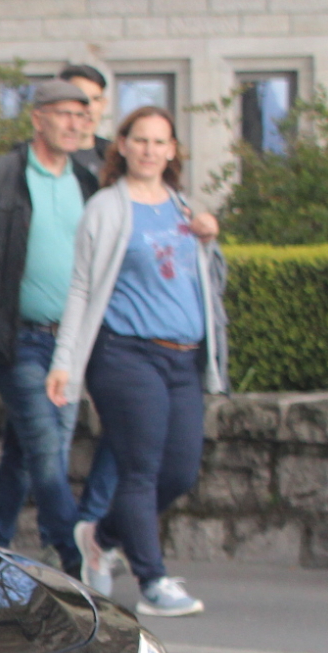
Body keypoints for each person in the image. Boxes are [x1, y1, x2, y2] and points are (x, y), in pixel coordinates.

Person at [45, 107, 230, 618]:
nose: (149, 150)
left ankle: (101, 536)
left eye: (159, 142)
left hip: (183, 359)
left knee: (181, 470)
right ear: (122, 146)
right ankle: (153, 581)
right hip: (126, 354)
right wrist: (66, 363)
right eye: (140, 140)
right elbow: (81, 287)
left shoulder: (181, 206)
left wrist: (210, 242)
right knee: (141, 469)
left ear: (172, 151)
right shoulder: (106, 207)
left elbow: (205, 285)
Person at [0, 79, 101, 571]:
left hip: (70, 343)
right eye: (65, 114)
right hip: (17, 340)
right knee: (47, 448)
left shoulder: (88, 180)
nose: (76, 124)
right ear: (38, 118)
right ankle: (76, 555)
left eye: (83, 114)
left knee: (26, 447)